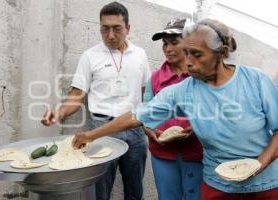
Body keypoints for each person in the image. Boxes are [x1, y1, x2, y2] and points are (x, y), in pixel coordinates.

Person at [72, 19, 278, 200]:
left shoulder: (255, 81)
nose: (188, 62)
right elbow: (136, 116)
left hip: (266, 184)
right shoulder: (183, 91)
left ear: (222, 53)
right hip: (218, 185)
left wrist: (259, 164)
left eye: (197, 55)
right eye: (187, 53)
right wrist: (90, 135)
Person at [41, 2, 151, 200]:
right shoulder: (90, 56)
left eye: (117, 29)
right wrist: (60, 112)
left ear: (128, 28)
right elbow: (77, 95)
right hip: (101, 130)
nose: (110, 35)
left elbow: (146, 93)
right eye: (104, 29)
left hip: (134, 129)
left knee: (135, 189)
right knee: (100, 190)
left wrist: (148, 124)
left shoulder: (140, 55)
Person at [142, 18, 203, 200]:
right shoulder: (155, 78)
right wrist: (148, 129)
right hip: (163, 154)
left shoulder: (201, 75)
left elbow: (214, 111)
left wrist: (197, 127)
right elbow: (145, 112)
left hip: (196, 152)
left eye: (174, 43)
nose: (168, 49)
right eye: (165, 44)